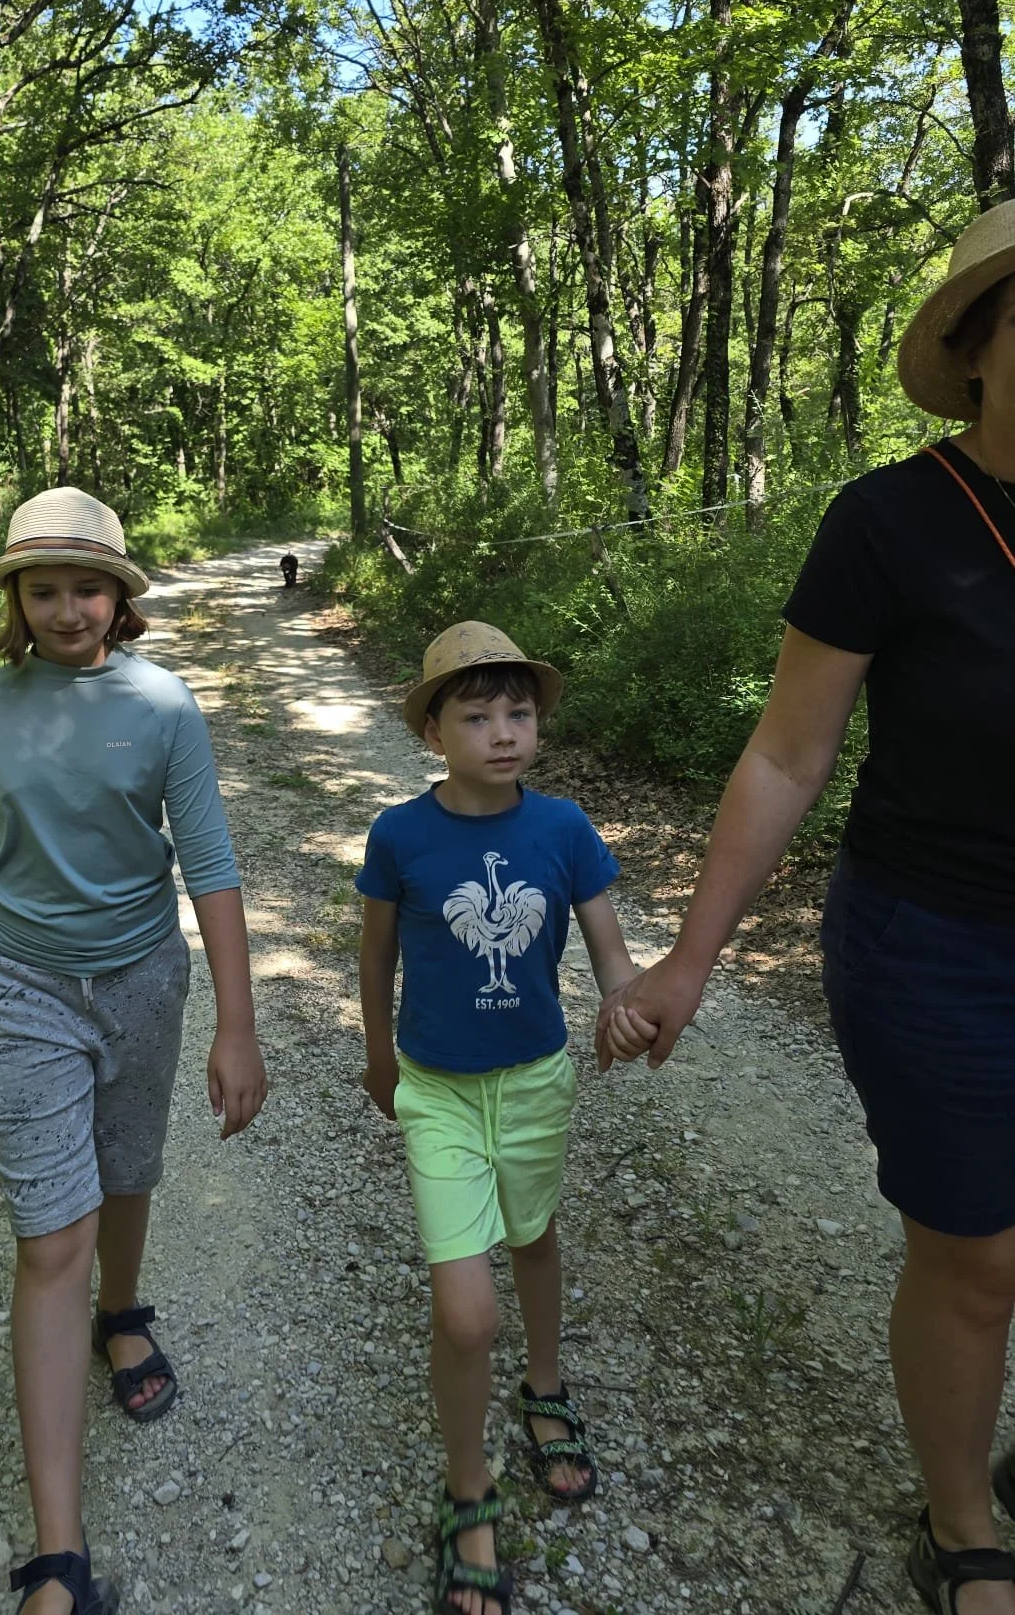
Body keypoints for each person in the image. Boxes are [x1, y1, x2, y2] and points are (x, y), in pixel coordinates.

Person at [598, 202, 1015, 1615]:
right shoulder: (891, 521)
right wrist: (689, 960)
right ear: (977, 345)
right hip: (936, 942)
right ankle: (966, 1527)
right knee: (980, 1258)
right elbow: (789, 751)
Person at [0, 487, 269, 1615]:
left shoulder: (165, 704)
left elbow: (209, 864)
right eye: (44, 587)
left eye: (87, 585)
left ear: (121, 598)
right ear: (16, 600)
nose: (68, 607)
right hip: (17, 992)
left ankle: (125, 1315)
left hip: (142, 981)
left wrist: (236, 1022)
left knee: (129, 1172)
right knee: (49, 1235)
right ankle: (58, 1557)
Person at [356, 622, 655, 1615]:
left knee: (533, 1233)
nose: (502, 731)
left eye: (518, 710)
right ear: (432, 729)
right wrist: (373, 1051)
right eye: (475, 713)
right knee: (463, 1307)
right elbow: (376, 956)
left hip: (536, 1081)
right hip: (435, 1086)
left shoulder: (563, 828)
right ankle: (467, 1485)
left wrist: (622, 999)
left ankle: (546, 1381)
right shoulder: (400, 833)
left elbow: (611, 948)